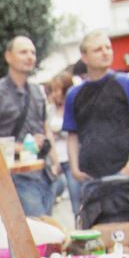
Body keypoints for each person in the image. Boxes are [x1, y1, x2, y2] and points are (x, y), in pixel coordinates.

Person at [63, 31, 129, 188]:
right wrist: (75, 169)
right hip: (89, 177)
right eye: (98, 49)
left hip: (124, 172)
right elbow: (72, 135)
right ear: (84, 57)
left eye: (108, 48)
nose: (105, 53)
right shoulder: (74, 94)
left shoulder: (127, 84)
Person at [0, 35, 56, 215]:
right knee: (37, 231)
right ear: (8, 56)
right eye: (23, 52)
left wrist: (54, 160)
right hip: (15, 176)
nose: (30, 56)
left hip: (45, 173)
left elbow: (45, 126)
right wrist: (21, 147)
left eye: (33, 52)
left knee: (47, 230)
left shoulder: (37, 91)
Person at [46, 71, 81, 216]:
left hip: (70, 159)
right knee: (49, 200)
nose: (54, 94)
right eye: (52, 90)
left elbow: (76, 132)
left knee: (77, 200)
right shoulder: (50, 110)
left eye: (57, 90)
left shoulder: (74, 108)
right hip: (54, 160)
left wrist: (60, 131)